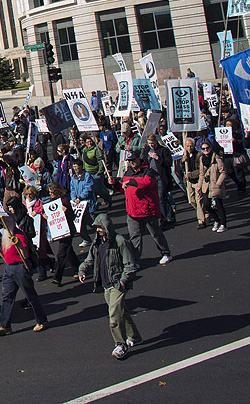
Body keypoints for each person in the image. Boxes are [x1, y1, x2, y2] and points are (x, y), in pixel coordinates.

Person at [78, 213, 140, 360]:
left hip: (117, 284)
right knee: (121, 311)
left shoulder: (120, 242)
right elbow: (90, 259)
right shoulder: (98, 243)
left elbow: (130, 265)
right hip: (106, 285)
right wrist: (82, 270)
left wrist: (123, 281)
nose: (98, 231)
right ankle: (135, 336)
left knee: (114, 317)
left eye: (99, 228)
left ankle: (120, 345)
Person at [0, 215, 48, 336]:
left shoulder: (19, 235)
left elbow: (25, 254)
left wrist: (19, 245)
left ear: (12, 222)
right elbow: (3, 254)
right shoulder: (5, 236)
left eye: (6, 221)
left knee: (30, 295)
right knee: (7, 296)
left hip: (20, 267)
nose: (3, 224)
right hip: (8, 268)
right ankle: (5, 325)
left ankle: (42, 320)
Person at [121, 154, 172, 266]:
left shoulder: (148, 171)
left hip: (147, 210)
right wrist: (112, 184)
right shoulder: (127, 173)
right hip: (133, 210)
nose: (131, 162)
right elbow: (122, 188)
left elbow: (146, 183)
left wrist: (131, 182)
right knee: (134, 236)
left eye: (133, 160)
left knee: (156, 233)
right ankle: (135, 259)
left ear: (139, 159)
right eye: (129, 161)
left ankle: (165, 252)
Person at [197, 142, 229, 232]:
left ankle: (223, 224)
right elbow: (201, 173)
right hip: (206, 185)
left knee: (219, 205)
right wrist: (200, 185)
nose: (206, 150)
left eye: (207, 148)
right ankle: (217, 220)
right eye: (203, 149)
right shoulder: (202, 159)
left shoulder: (217, 158)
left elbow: (223, 172)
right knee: (206, 205)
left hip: (215, 185)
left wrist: (218, 183)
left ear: (211, 148)